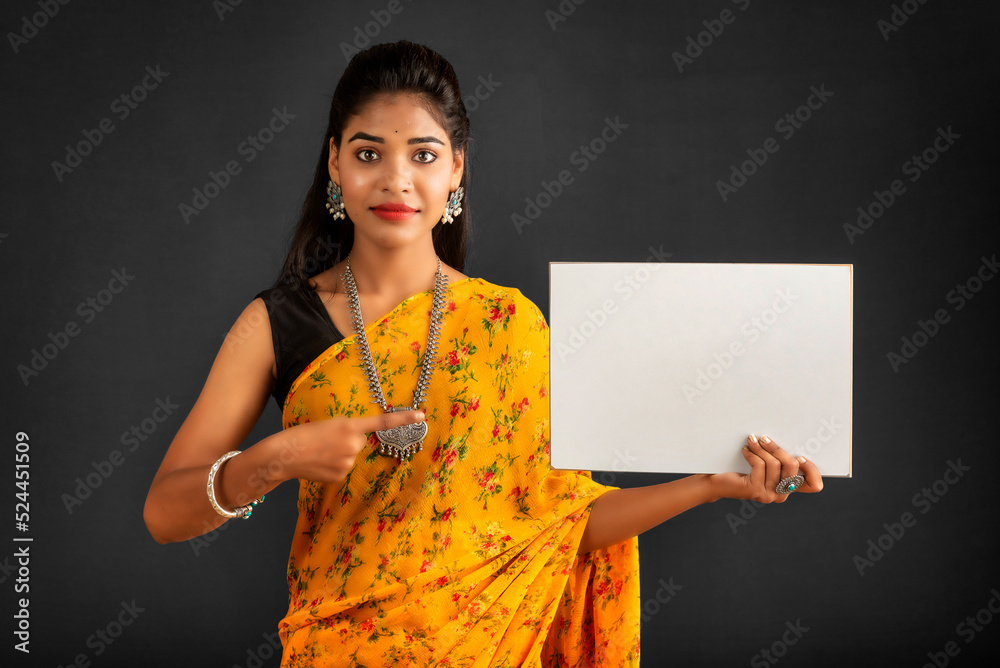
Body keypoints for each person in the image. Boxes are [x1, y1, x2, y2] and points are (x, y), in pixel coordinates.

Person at [143, 40, 823, 667]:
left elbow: (561, 526)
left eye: (424, 154)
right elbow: (165, 513)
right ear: (334, 163)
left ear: (457, 168)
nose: (396, 180)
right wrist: (276, 460)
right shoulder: (273, 324)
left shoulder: (509, 325)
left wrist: (710, 485)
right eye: (369, 152)